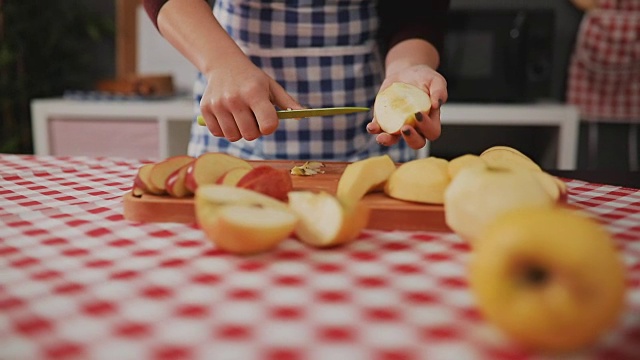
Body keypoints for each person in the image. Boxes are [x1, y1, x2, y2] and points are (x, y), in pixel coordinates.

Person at [143, 0, 450, 162]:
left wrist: (407, 67)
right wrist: (222, 63)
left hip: (365, 145)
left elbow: (417, 12)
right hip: (232, 132)